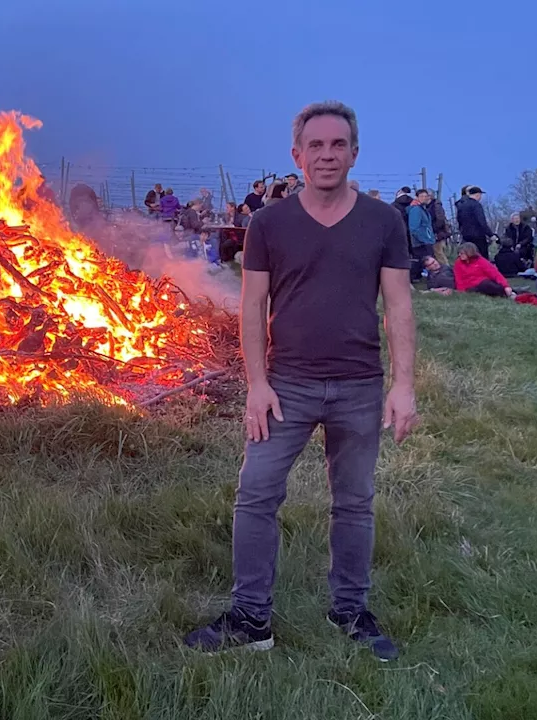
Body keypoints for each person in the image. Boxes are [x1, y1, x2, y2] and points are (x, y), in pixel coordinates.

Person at [184, 101, 415, 663]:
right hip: (286, 385)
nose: (327, 155)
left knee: (355, 502)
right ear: (297, 155)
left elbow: (400, 305)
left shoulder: (384, 222)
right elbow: (252, 306)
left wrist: (403, 385)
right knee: (256, 495)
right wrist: (256, 384)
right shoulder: (268, 223)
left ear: (354, 153)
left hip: (360, 385)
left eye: (338, 145)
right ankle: (250, 618)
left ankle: (349, 611)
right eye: (316, 146)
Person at [455, 186, 496, 261]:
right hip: (478, 235)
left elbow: (459, 219)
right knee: (482, 257)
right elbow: (482, 222)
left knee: (469, 256)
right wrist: (490, 234)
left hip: (466, 235)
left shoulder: (461, 205)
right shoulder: (476, 205)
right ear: (477, 195)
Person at [406, 189, 436, 283]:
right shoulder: (416, 210)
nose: (424, 198)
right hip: (420, 242)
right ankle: (412, 278)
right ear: (417, 197)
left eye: (426, 196)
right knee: (421, 261)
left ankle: (421, 278)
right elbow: (414, 228)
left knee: (423, 261)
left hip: (426, 240)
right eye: (422, 196)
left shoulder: (423, 209)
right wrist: (423, 239)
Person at [424, 191, 451, 265]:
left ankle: (446, 269)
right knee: (437, 252)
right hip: (434, 232)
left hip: (437, 232)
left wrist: (434, 229)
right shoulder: (429, 206)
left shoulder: (436, 205)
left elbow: (440, 219)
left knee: (438, 252)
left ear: (429, 196)